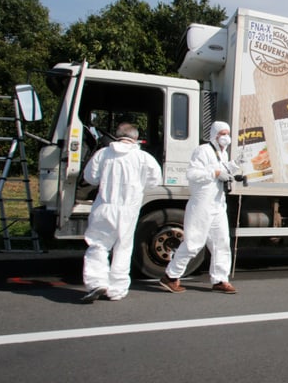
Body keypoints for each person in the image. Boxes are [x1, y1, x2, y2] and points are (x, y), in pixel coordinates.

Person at [81, 123, 163, 302]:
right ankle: (117, 289)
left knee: (98, 245)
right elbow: (154, 181)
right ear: (136, 138)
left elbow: (90, 177)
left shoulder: (102, 154)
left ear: (117, 136)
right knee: (123, 247)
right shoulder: (143, 157)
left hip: (104, 206)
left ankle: (97, 282)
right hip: (129, 209)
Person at [159, 121, 239, 294]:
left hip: (217, 204)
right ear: (215, 134)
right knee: (194, 242)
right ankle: (171, 277)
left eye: (227, 133)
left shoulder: (222, 153)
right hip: (202, 204)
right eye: (222, 133)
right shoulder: (203, 150)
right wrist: (216, 173)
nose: (226, 137)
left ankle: (220, 279)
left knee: (221, 242)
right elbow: (192, 174)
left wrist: (234, 165)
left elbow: (222, 169)